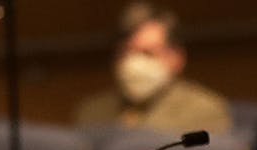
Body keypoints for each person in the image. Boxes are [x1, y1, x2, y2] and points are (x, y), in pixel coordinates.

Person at [72, 3, 231, 135]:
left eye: (147, 53)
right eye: (127, 52)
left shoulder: (204, 112)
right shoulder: (91, 112)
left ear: (176, 57)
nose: (134, 62)